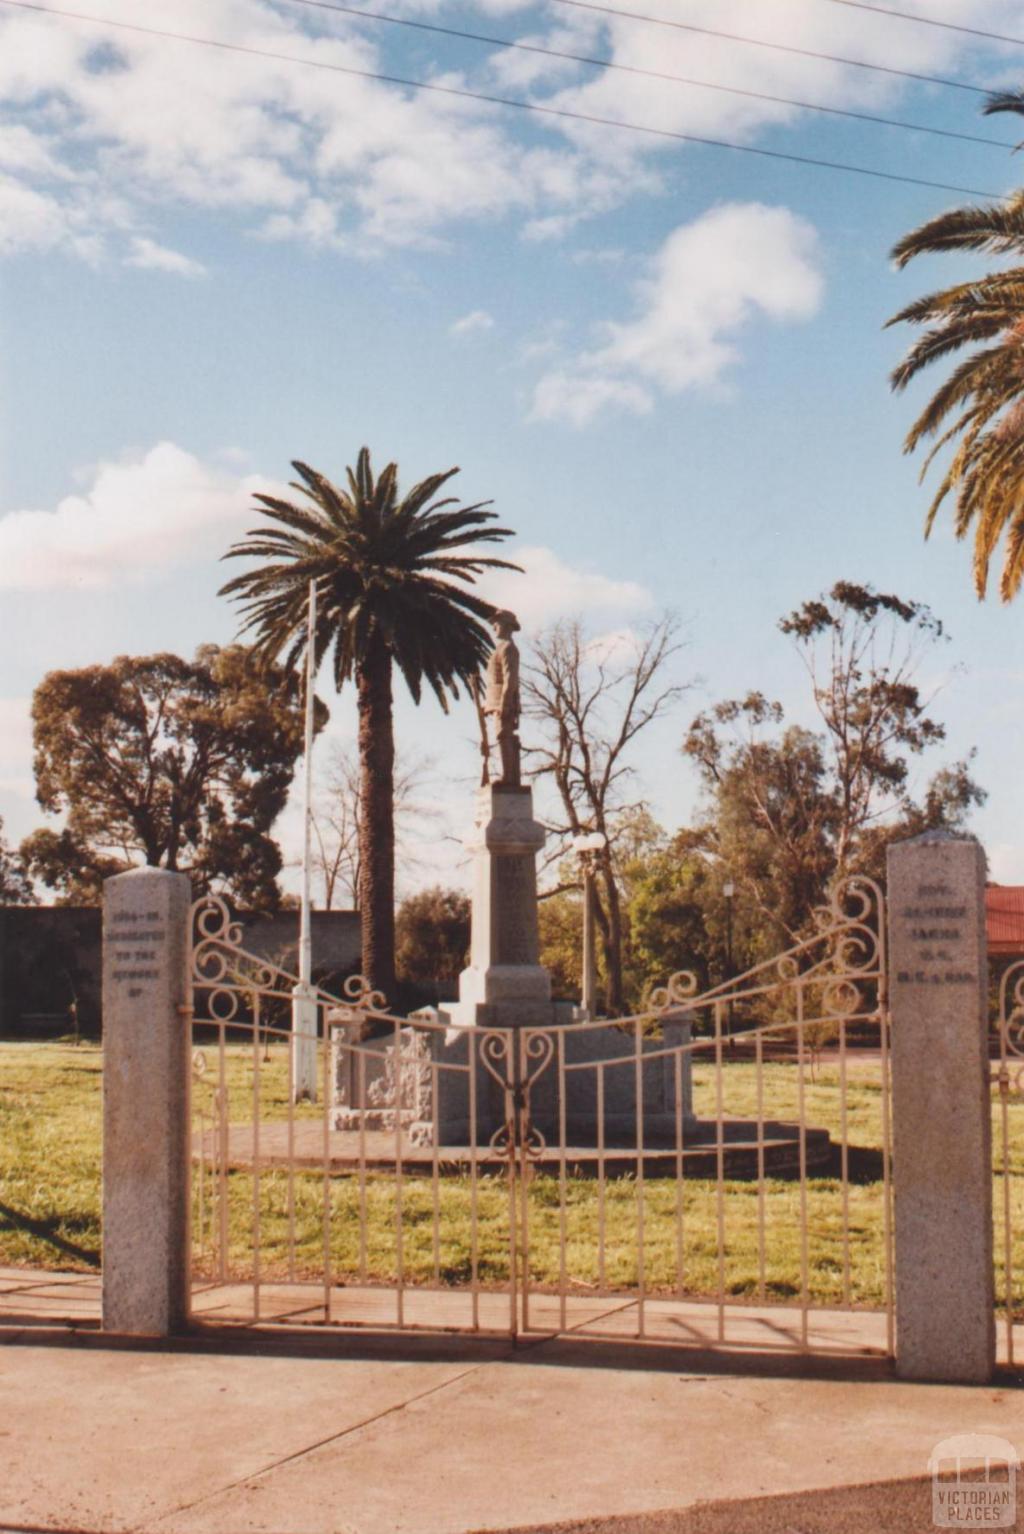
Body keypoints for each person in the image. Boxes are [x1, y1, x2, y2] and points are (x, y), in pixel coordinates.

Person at [483, 609, 521, 786]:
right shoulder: (500, 648)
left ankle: (509, 777)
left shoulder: (508, 649)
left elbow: (510, 679)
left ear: (505, 625)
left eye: (496, 624)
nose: (494, 628)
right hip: (496, 702)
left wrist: (504, 704)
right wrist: (487, 704)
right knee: (502, 736)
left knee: (503, 736)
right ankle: (509, 776)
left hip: (503, 702)